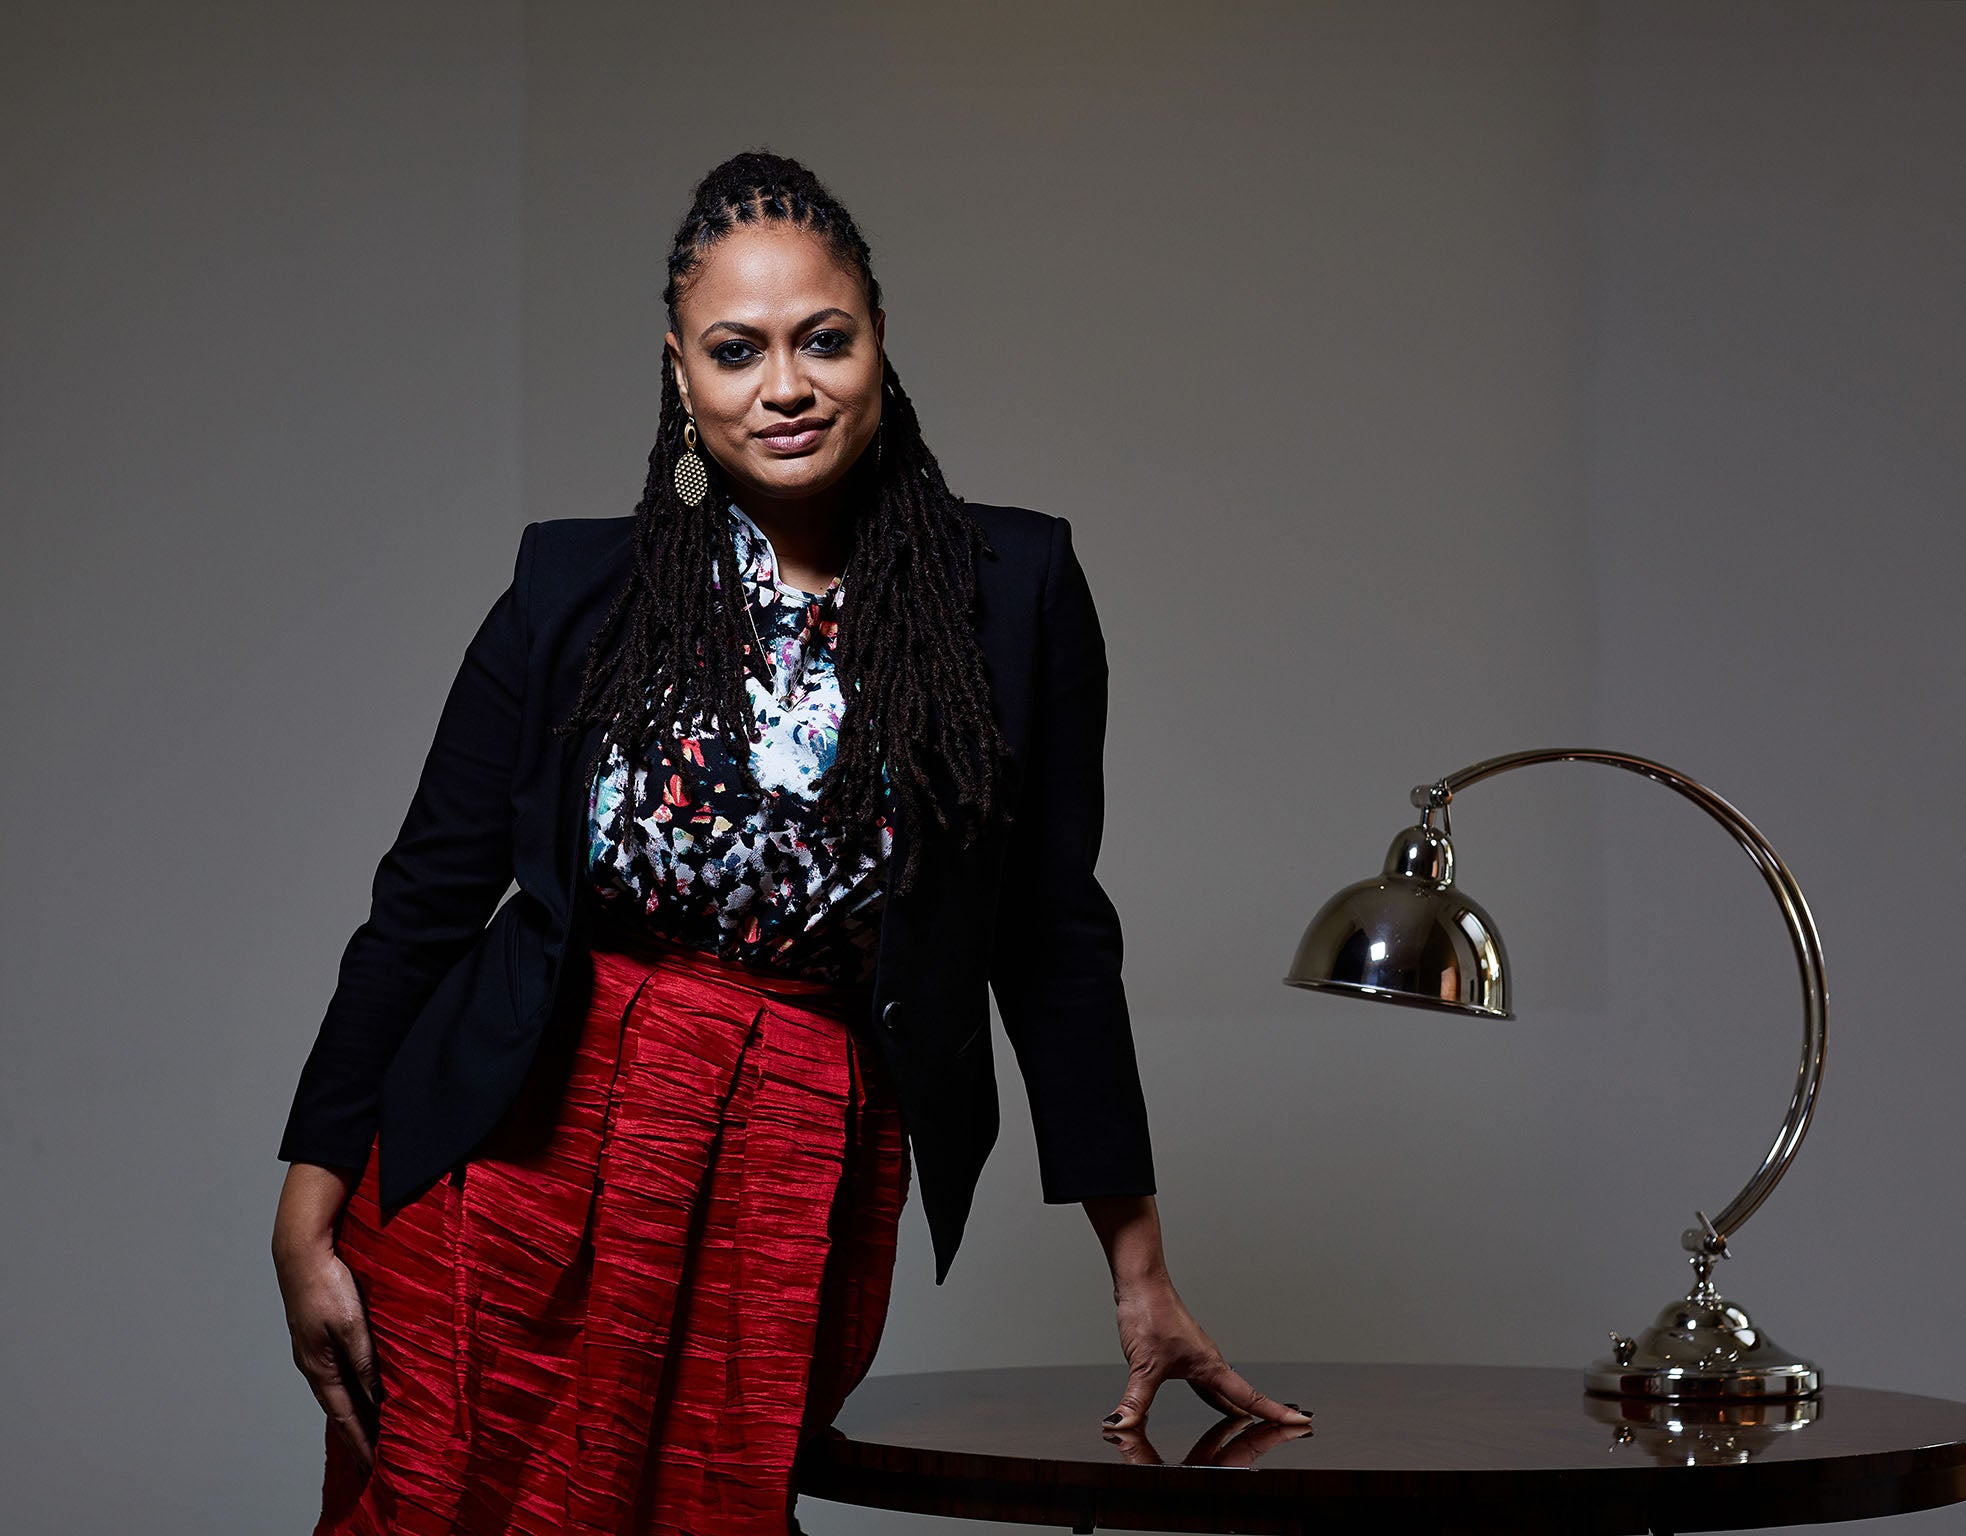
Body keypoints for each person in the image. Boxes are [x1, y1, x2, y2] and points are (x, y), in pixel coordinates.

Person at [270, 149, 1312, 1536]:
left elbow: (1054, 941)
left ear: (879, 340)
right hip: (514, 1165)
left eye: (824, 339)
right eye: (736, 349)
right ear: (679, 372)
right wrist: (308, 1204)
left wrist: (1139, 1269)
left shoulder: (1014, 594)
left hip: (793, 1160)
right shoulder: (571, 587)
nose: (786, 386)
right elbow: (423, 903)